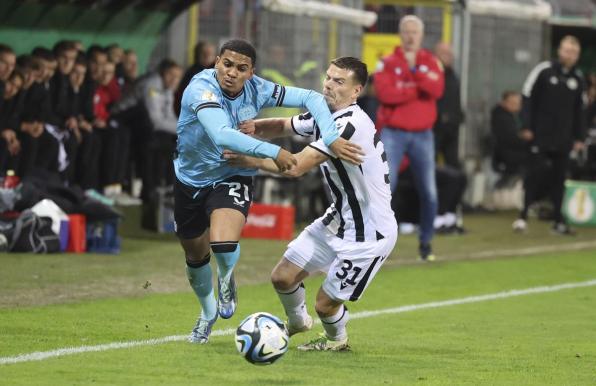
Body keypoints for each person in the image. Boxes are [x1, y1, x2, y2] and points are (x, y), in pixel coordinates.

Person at [175, 39, 363, 344]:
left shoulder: (259, 88)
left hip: (232, 173)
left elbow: (312, 98)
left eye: (241, 68)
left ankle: (226, 278)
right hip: (190, 179)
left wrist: (330, 135)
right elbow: (222, 134)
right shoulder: (201, 89)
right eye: (227, 64)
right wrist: (272, 152)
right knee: (195, 254)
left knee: (223, 244)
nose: (232, 73)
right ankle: (207, 312)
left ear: (251, 72)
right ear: (216, 63)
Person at [226, 57, 396, 351]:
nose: (329, 85)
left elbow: (295, 167)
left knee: (324, 305)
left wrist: (247, 159)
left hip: (369, 234)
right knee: (282, 277)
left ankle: (336, 340)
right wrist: (248, 128)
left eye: (339, 81)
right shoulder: (322, 112)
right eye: (328, 77)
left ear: (357, 91)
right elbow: (282, 124)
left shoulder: (349, 125)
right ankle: (297, 323)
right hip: (338, 220)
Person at [374, 15, 444, 260]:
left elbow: (437, 90)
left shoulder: (432, 61)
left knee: (429, 192)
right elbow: (385, 94)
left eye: (415, 31)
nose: (411, 36)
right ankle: (376, 243)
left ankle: (426, 243)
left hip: (423, 134)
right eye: (406, 31)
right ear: (400, 34)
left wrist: (406, 84)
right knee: (384, 189)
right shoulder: (387, 62)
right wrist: (418, 85)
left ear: (421, 35)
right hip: (393, 133)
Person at [513, 35, 587, 234]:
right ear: (559, 51)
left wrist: (579, 137)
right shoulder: (544, 71)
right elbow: (527, 96)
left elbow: (581, 110)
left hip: (563, 138)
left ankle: (558, 220)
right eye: (567, 51)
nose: (570, 55)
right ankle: (523, 215)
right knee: (534, 175)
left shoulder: (578, 79)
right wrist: (526, 126)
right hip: (540, 135)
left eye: (574, 53)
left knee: (559, 179)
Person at [433, 42, 463, 168]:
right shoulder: (430, 74)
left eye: (450, 54)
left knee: (453, 165)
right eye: (444, 53)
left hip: (451, 128)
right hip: (433, 127)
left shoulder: (453, 76)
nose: (448, 57)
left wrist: (458, 116)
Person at [490, 91, 532, 178]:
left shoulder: (513, 116)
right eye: (513, 103)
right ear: (504, 102)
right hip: (508, 156)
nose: (517, 106)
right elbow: (510, 138)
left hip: (511, 154)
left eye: (518, 103)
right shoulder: (501, 117)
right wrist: (525, 138)